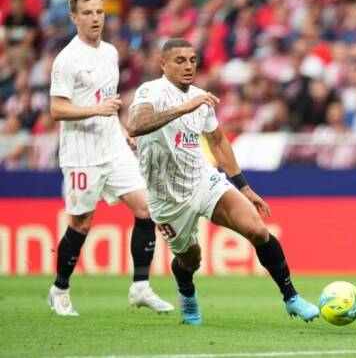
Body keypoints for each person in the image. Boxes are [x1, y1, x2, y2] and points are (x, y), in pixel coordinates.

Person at [126, 38, 319, 325]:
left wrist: (244, 186)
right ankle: (187, 294)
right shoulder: (150, 91)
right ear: (163, 64)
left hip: (203, 180)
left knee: (257, 229)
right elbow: (136, 125)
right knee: (191, 260)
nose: (189, 65)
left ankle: (291, 297)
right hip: (166, 197)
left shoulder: (202, 98)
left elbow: (217, 142)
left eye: (192, 59)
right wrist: (183, 108)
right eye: (180, 60)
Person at [47, 0, 173, 316]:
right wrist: (97, 111)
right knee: (81, 223)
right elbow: (57, 109)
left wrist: (120, 129)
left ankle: (141, 287)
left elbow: (108, 103)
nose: (95, 18)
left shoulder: (110, 53)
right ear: (74, 18)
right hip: (81, 154)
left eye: (99, 11)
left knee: (147, 209)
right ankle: (59, 289)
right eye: (87, 13)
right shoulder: (67, 60)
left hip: (112, 146)